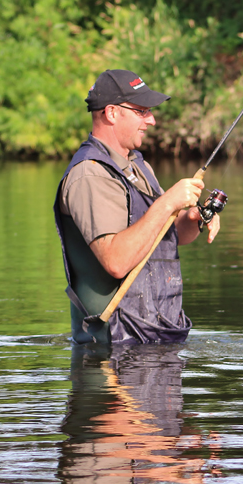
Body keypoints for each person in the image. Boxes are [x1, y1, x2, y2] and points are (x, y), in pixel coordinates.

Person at [54, 69, 220, 345]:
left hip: (156, 335)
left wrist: (193, 217)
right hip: (112, 349)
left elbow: (170, 236)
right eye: (142, 111)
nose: (152, 120)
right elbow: (116, 261)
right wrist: (168, 202)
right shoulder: (90, 175)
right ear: (111, 113)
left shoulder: (138, 166)